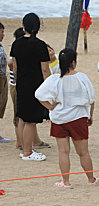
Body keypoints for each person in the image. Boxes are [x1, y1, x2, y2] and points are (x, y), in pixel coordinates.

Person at [35, 48, 99, 188]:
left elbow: (39, 94)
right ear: (73, 62)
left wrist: (50, 107)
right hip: (78, 118)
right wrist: (90, 115)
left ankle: (65, 182)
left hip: (60, 118)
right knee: (83, 152)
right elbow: (91, 99)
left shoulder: (55, 79)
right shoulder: (81, 77)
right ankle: (91, 179)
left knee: (63, 152)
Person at [9, 13, 52, 161]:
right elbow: (45, 70)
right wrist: (50, 87)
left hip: (21, 83)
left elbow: (14, 66)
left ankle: (24, 147)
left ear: (24, 26)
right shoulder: (40, 45)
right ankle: (27, 151)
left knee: (23, 116)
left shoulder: (16, 44)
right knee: (30, 120)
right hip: (35, 85)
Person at [7, 27, 29, 149]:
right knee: (18, 115)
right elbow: (11, 63)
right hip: (16, 86)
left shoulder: (18, 50)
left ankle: (23, 141)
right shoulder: (16, 51)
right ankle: (19, 142)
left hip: (18, 85)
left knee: (22, 115)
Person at [0, 22, 10, 143]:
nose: (3, 34)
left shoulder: (1, 46)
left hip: (2, 77)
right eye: (1, 32)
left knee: (1, 104)